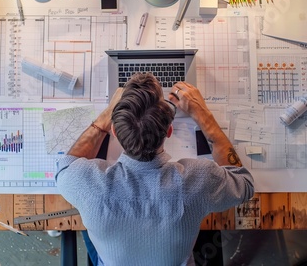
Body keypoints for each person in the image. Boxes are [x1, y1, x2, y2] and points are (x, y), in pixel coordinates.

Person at [55, 73, 254, 265]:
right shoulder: (199, 181)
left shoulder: (88, 186)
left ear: (114, 130)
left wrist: (106, 117)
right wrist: (202, 114)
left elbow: (66, 164)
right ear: (169, 130)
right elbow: (244, 183)